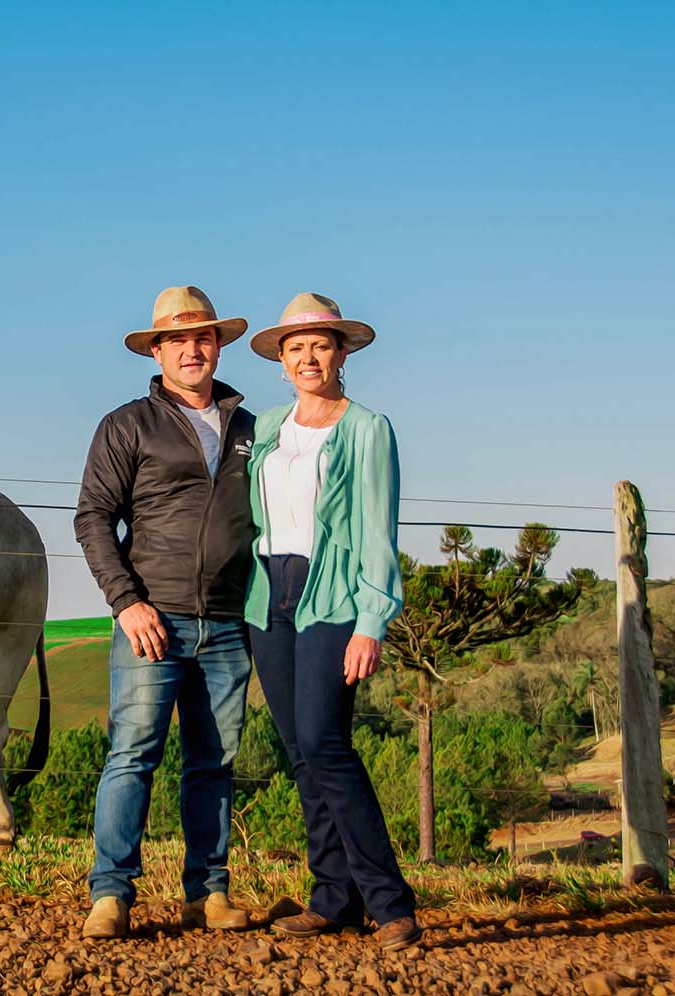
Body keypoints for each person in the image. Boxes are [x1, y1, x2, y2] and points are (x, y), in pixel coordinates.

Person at [74, 285, 257, 940]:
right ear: (156, 350)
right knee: (133, 754)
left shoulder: (249, 431)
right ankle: (111, 894)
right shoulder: (127, 425)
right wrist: (127, 602)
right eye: (177, 339)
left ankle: (207, 894)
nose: (191, 349)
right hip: (155, 620)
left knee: (213, 763)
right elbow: (93, 518)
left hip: (230, 626)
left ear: (218, 346)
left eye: (202, 337)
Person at [243, 292, 422, 949]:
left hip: (333, 594)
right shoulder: (265, 429)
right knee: (298, 751)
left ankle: (391, 902)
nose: (308, 357)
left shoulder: (367, 429)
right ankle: (333, 897)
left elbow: (379, 528)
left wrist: (372, 619)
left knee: (326, 742)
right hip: (270, 593)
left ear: (342, 352)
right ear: (282, 361)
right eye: (296, 348)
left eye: (321, 345)